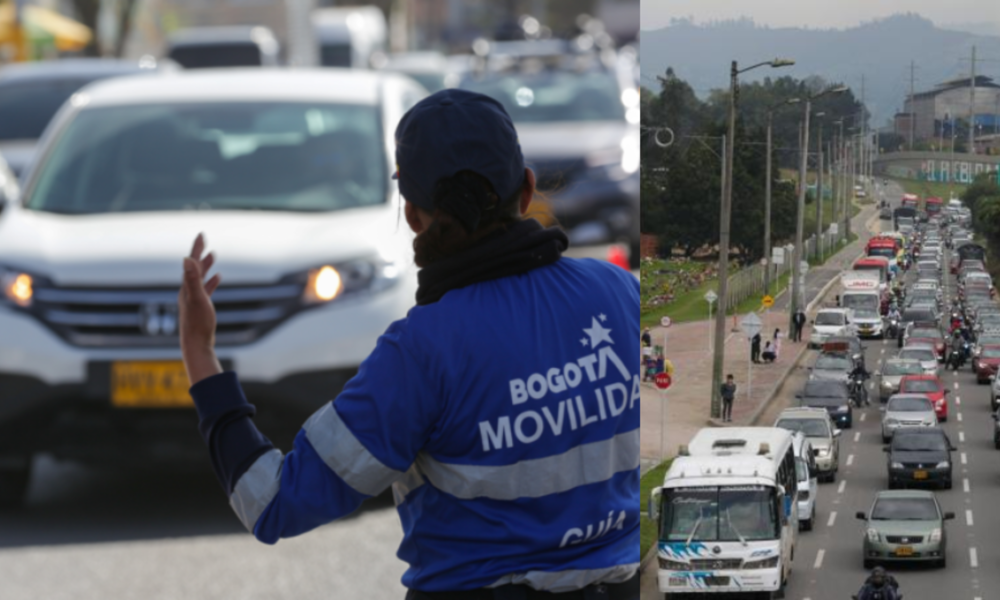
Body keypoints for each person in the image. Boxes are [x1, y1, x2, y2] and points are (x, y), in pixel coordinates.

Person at [176, 89, 640, 599]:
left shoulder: (420, 352)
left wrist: (201, 356)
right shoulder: (620, 293)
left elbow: (268, 502)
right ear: (527, 190)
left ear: (413, 213)